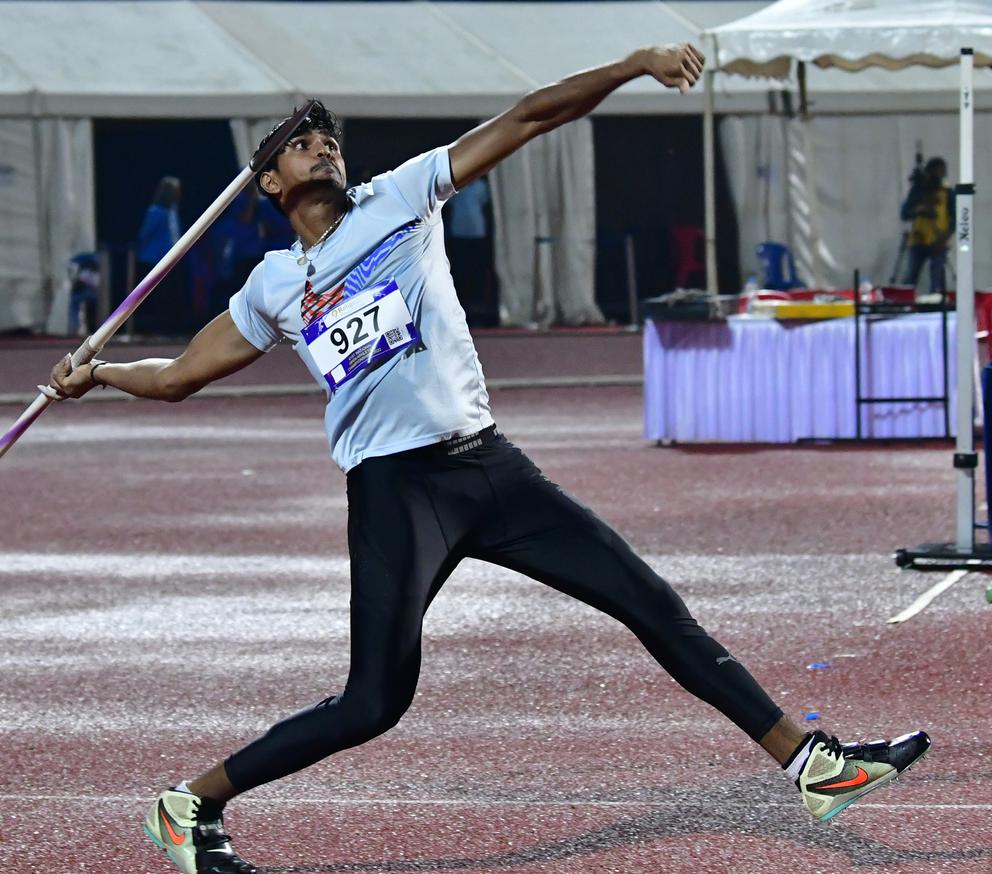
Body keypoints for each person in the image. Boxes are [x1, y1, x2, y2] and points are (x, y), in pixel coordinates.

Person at [48, 45, 929, 874]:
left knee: (649, 601)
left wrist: (632, 67)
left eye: (329, 140)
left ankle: (809, 767)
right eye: (300, 146)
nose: (322, 150)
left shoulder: (403, 197)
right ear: (271, 181)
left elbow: (530, 117)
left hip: (489, 468)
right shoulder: (273, 286)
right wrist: (100, 376)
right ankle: (190, 803)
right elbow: (177, 377)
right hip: (396, 491)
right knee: (372, 704)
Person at [134, 176, 189, 335]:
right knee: (160, 295)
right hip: (157, 259)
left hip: (173, 260)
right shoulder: (155, 212)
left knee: (173, 293)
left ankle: (173, 326)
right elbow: (145, 234)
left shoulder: (173, 212)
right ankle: (160, 328)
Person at [444, 174, 497, 326]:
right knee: (460, 273)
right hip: (458, 233)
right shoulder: (455, 188)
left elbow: (486, 204)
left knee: (477, 272)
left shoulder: (481, 186)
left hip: (477, 233)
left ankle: (478, 310)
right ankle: (462, 309)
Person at [899, 156, 955, 297]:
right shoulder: (918, 190)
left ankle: (935, 304)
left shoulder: (947, 192)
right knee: (910, 278)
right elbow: (905, 213)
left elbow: (954, 219)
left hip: (938, 240)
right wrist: (920, 209)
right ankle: (907, 303)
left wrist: (944, 239)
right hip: (918, 240)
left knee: (936, 278)